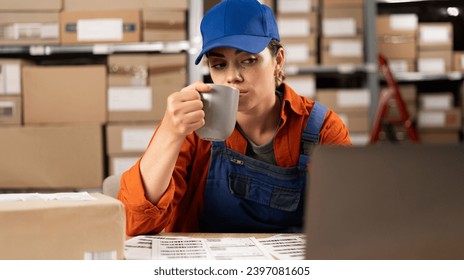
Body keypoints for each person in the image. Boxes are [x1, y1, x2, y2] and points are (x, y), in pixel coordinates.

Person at [117, 0, 351, 235]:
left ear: (278, 61)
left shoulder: (322, 129)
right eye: (219, 64)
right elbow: (135, 223)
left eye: (248, 60)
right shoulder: (191, 127)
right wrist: (170, 132)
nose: (232, 77)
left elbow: (349, 222)